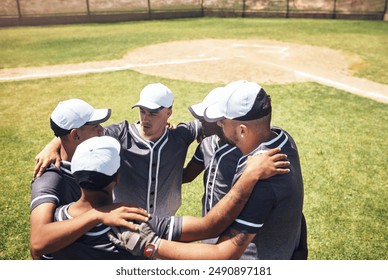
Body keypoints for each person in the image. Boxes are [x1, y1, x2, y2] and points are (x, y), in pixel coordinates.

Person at [110, 80, 307, 260]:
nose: (217, 126)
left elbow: (223, 254)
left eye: (222, 121)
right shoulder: (281, 139)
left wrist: (150, 245)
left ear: (242, 130)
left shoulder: (261, 176)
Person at [34, 83, 203, 216]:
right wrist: (53, 143)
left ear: (169, 113)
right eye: (142, 111)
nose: (145, 118)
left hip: (166, 219)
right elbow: (79, 133)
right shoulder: (120, 134)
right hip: (123, 220)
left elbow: (210, 122)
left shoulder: (180, 135)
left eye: (153, 113)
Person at [29, 99, 149, 260]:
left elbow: (67, 137)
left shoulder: (92, 157)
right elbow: (37, 243)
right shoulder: (50, 178)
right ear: (76, 134)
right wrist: (97, 215)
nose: (102, 130)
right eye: (95, 126)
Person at [183, 87, 243, 244]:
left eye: (204, 119)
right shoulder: (206, 145)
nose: (200, 123)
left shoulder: (246, 151)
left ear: (220, 121)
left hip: (235, 236)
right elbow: (186, 176)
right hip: (208, 229)